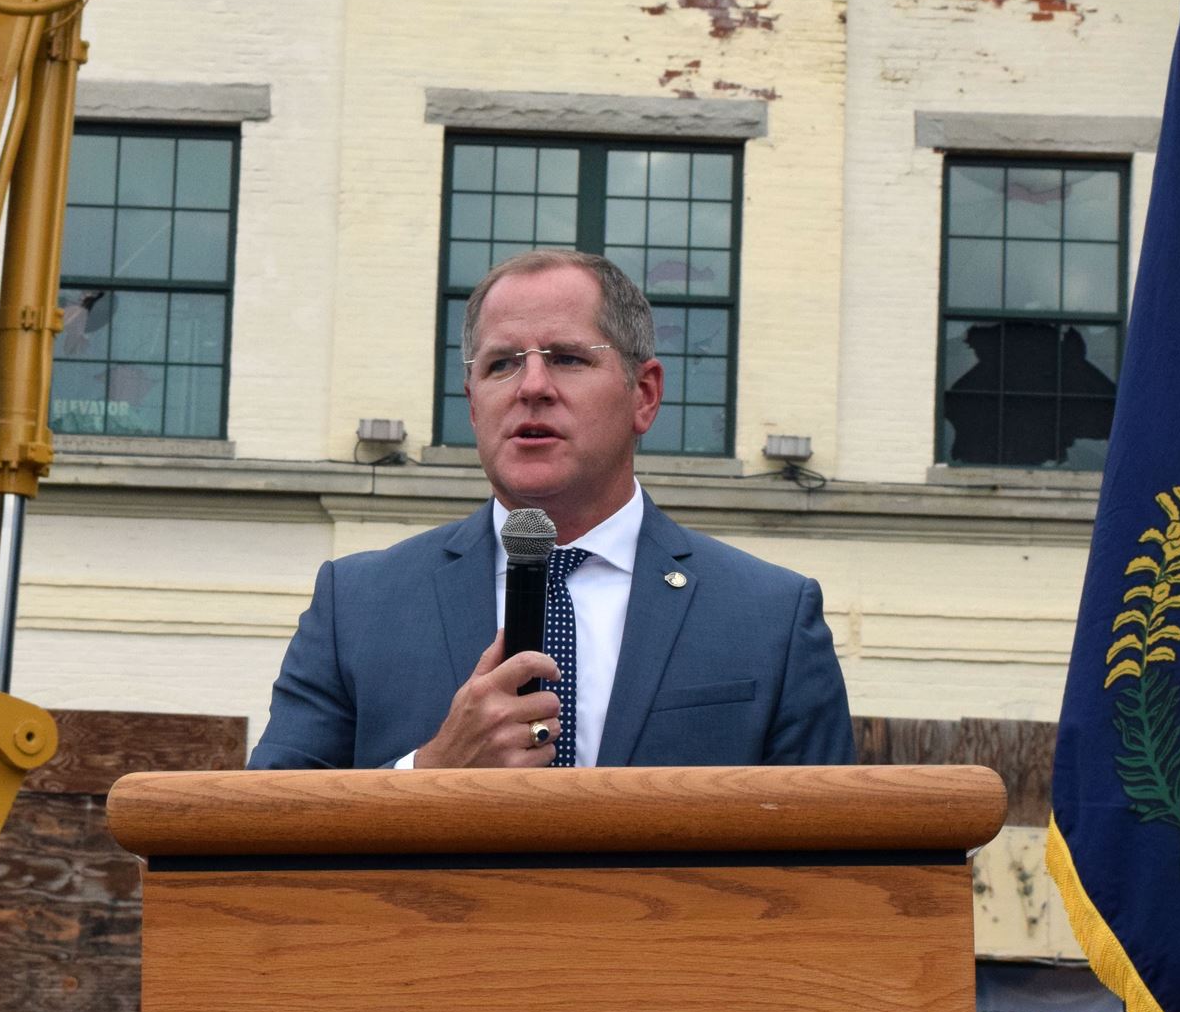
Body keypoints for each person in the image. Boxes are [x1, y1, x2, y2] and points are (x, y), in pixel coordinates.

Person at [248, 250, 854, 770]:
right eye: (502, 364)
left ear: (644, 395)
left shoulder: (770, 617)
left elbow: (830, 853)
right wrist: (431, 773)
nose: (531, 386)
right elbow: (263, 834)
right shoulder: (357, 605)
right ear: (474, 406)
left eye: (567, 357)